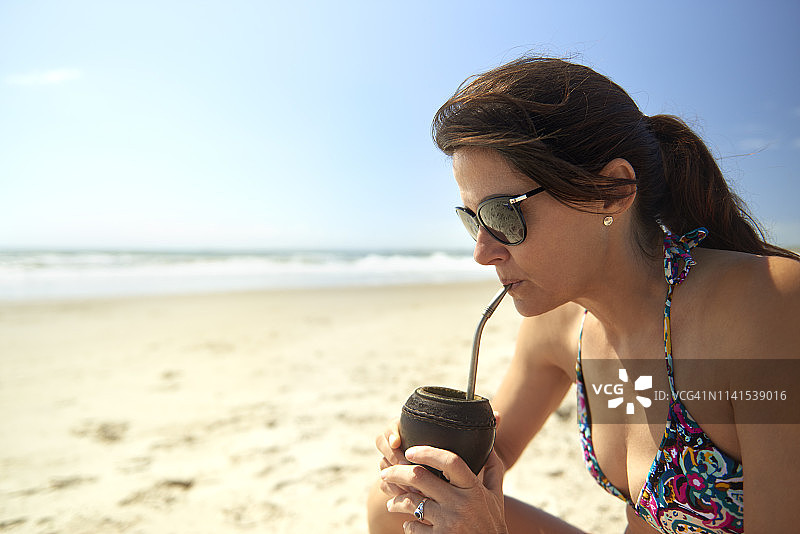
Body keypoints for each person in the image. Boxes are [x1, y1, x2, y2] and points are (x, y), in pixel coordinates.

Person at [367, 56, 800, 533]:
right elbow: (493, 456)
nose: (482, 251)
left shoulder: (767, 308)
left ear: (611, 191)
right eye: (473, 219)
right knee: (394, 507)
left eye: (502, 215)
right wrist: (430, 462)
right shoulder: (563, 325)